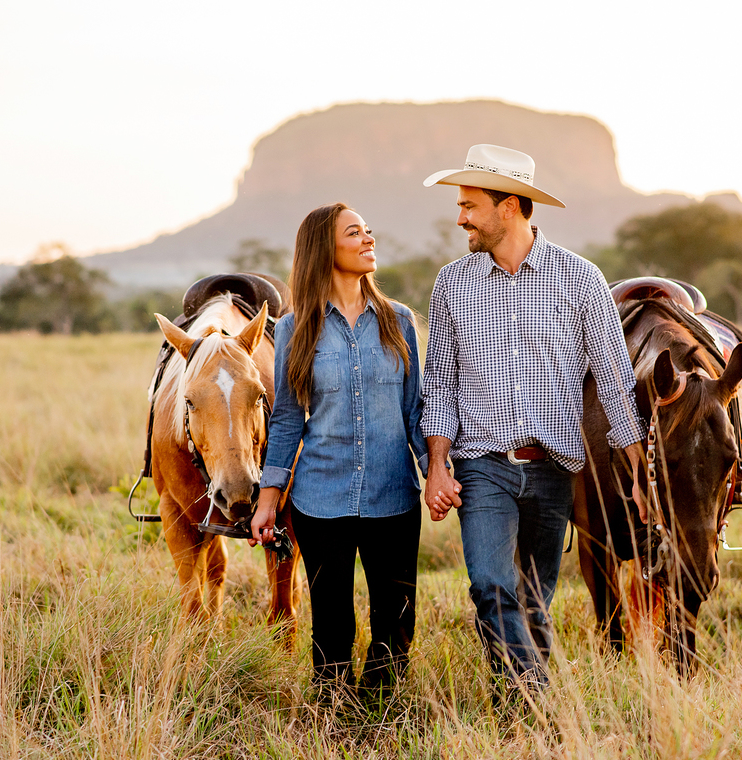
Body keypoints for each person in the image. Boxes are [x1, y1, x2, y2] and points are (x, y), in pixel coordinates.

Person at [420, 144, 648, 689]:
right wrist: (437, 466)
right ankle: (541, 703)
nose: (460, 218)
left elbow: (616, 380)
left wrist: (638, 474)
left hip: (553, 467)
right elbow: (440, 384)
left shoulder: (581, 278)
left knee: (535, 601)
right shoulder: (453, 283)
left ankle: (516, 718)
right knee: (490, 586)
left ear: (510, 207)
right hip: (482, 464)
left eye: (470, 205)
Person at [250, 202, 427, 703]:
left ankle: (384, 711)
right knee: (331, 623)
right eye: (355, 233)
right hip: (319, 498)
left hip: (393, 496)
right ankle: (331, 716)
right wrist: (268, 499)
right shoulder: (293, 329)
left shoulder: (398, 321)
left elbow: (415, 411)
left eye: (369, 230)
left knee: (396, 620)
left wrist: (436, 471)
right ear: (325, 248)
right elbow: (287, 419)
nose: (369, 239)